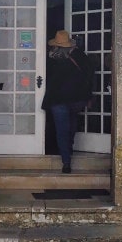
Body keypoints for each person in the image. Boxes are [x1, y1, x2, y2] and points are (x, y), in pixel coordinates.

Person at [41, 30, 94, 174]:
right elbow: (89, 75)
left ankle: (66, 161)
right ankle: (69, 149)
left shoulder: (50, 57)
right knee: (71, 124)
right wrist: (87, 94)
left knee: (61, 129)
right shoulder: (80, 55)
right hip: (76, 98)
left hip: (57, 98)